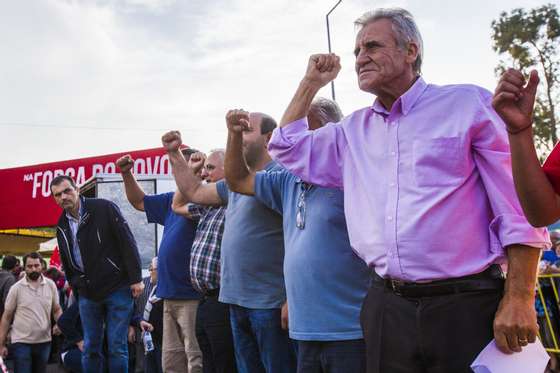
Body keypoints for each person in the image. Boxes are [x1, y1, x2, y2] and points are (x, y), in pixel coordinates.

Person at [266, 7, 550, 372]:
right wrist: (310, 83)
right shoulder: (352, 131)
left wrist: (520, 297)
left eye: (371, 46)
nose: (360, 58)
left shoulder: (467, 105)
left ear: (410, 50)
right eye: (356, 51)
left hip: (465, 305)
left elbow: (517, 206)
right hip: (387, 307)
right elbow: (287, 146)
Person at [224, 98, 370, 373]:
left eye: (310, 134)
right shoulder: (287, 180)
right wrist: (234, 135)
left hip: (349, 331)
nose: (300, 144)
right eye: (295, 137)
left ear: (334, 133)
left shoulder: (353, 176)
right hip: (304, 331)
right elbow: (238, 179)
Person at [162, 114, 296, 373]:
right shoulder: (235, 183)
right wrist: (175, 154)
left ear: (269, 139)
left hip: (269, 303)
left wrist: (291, 298)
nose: (238, 135)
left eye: (246, 130)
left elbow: (296, 238)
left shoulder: (280, 176)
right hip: (236, 301)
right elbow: (195, 192)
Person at [116, 149, 202, 373]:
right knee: (172, 363)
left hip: (193, 296)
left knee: (195, 360)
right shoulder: (171, 200)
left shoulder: (205, 197)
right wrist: (126, 174)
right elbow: (139, 201)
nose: (176, 172)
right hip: (168, 294)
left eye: (181, 166)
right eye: (174, 167)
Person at [51, 175, 143, 373]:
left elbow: (127, 242)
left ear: (77, 189)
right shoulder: (61, 225)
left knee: (117, 347)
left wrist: (135, 278)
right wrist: (75, 286)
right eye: (58, 194)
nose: (63, 197)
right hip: (87, 292)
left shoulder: (103, 208)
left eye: (67, 190)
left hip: (116, 286)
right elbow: (67, 261)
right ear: (55, 199)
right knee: (91, 347)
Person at [172, 149, 237, 373]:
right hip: (206, 298)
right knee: (208, 360)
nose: (205, 173)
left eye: (210, 167)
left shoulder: (235, 201)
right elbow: (177, 205)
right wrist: (192, 171)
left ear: (228, 168)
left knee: (223, 361)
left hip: (224, 297)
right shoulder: (208, 205)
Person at [0, 252, 63, 373]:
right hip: (21, 343)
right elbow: (6, 317)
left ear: (42, 266)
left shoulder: (51, 285)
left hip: (44, 342)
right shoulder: (16, 288)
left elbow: (56, 309)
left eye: (36, 265)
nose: (33, 268)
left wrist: (59, 323)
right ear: (24, 267)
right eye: (30, 266)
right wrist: (1, 344)